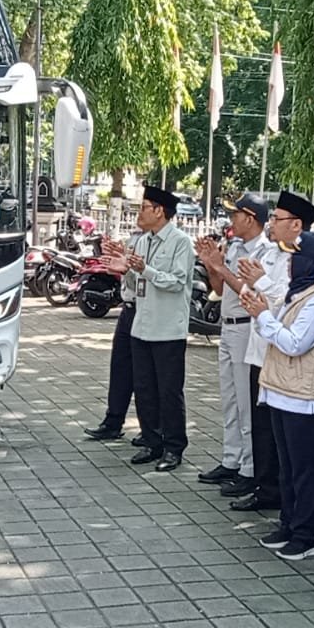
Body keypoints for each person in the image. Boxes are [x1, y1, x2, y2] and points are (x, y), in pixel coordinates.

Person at [242, 230, 314, 560]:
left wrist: (263, 316)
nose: (289, 262)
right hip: (282, 390)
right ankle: (289, 522)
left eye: (295, 257)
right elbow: (274, 332)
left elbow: (295, 343)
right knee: (286, 467)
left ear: (311, 263)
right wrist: (261, 314)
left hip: (306, 397)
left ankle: (306, 534)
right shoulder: (298, 292)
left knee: (304, 468)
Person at [194, 195, 283, 496]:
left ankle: (249, 468)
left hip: (249, 328)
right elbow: (220, 290)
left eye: (236, 215)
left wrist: (221, 269)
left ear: (250, 218)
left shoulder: (266, 252)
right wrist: (212, 266)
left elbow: (251, 292)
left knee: (246, 402)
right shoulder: (234, 247)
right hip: (228, 326)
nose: (231, 220)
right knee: (230, 399)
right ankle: (231, 459)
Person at [230, 190, 312, 511]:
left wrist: (261, 283)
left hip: (281, 353)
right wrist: (254, 287)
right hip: (258, 351)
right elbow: (250, 291)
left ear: (296, 224)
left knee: (278, 431)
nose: (271, 224)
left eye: (277, 219)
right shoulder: (271, 253)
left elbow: (290, 302)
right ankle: (264, 487)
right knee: (261, 425)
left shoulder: (304, 259)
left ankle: (277, 491)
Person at [125, 186, 195, 472]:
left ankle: (173, 447)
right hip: (142, 326)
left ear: (159, 211)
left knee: (169, 391)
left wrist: (145, 270)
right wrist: (126, 269)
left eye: (144, 207)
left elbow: (176, 282)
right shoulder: (143, 241)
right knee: (144, 389)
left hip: (168, 330)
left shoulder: (181, 242)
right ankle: (151, 441)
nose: (139, 213)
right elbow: (135, 282)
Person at [83, 227, 145, 443]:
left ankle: (151, 429)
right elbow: (125, 273)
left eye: (145, 210)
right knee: (120, 368)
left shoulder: (159, 241)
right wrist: (117, 257)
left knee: (144, 374)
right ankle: (113, 421)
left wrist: (125, 266)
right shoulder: (135, 237)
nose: (140, 215)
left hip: (145, 309)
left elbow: (144, 276)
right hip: (128, 307)